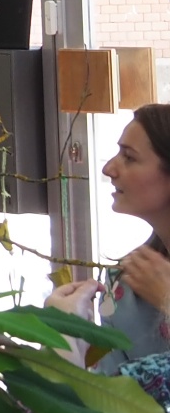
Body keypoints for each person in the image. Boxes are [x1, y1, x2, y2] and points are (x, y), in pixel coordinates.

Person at [50, 103, 170, 371]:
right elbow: (109, 392)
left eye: (129, 157)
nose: (108, 169)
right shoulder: (125, 284)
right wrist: (66, 336)